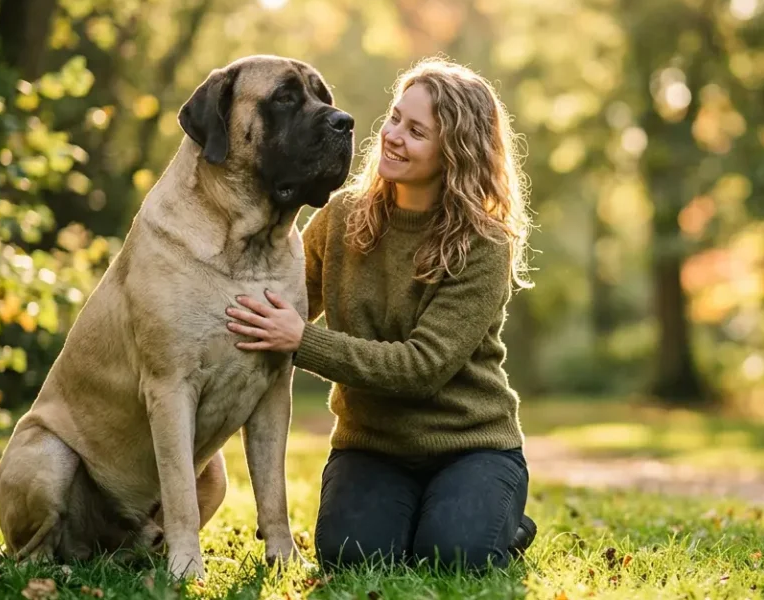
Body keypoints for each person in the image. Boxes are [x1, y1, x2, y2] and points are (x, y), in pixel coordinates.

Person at [224, 58, 537, 572]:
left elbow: (421, 368)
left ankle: (500, 520)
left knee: (455, 556)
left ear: (454, 152)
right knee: (352, 558)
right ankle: (433, 515)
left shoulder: (483, 243)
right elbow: (280, 302)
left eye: (416, 131)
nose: (392, 136)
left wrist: (302, 341)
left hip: (470, 446)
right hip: (372, 446)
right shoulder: (343, 215)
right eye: (394, 118)